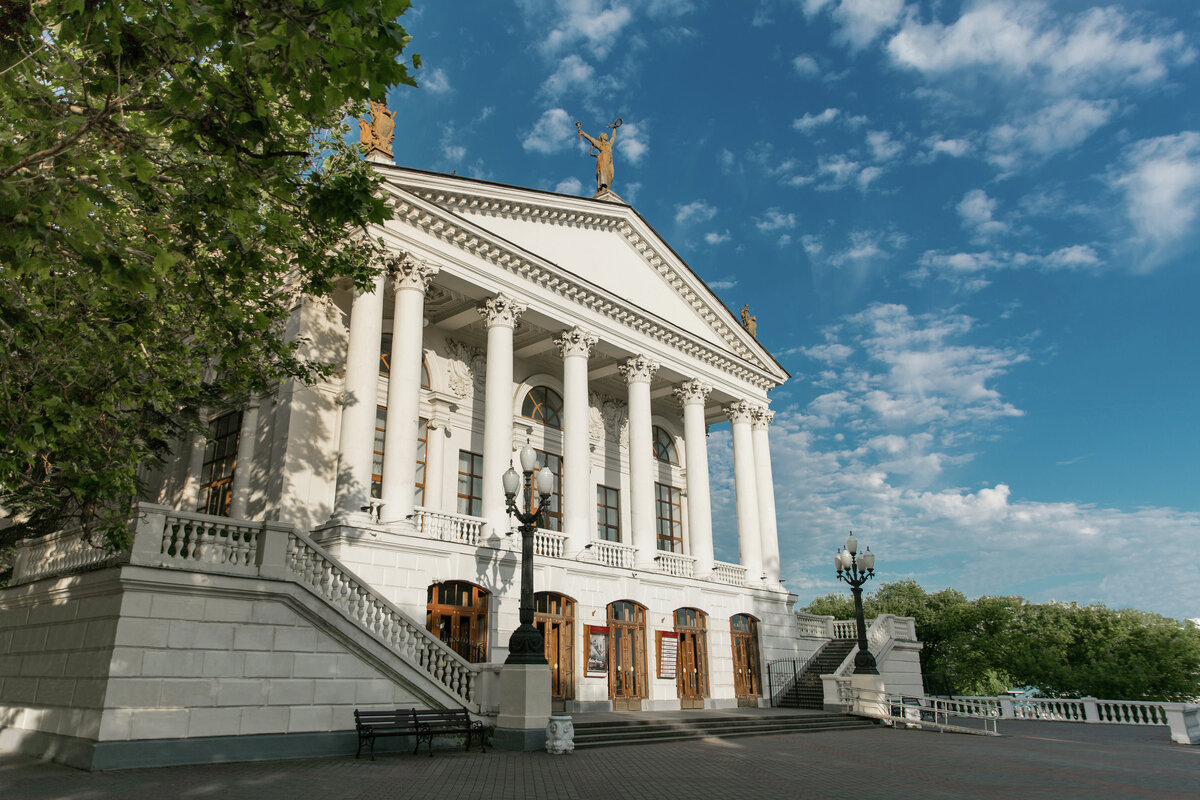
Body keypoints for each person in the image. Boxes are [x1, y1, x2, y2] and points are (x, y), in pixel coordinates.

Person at [577, 119, 621, 192]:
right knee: (603, 171)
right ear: (601, 137)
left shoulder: (609, 144)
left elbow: (613, 137)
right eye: (605, 135)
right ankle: (602, 186)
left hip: (609, 161)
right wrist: (583, 133)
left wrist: (614, 128)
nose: (607, 136)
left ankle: (606, 187)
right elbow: (590, 138)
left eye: (607, 135)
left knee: (610, 174)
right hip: (602, 159)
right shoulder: (599, 144)